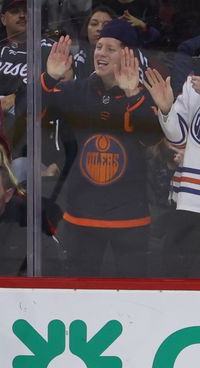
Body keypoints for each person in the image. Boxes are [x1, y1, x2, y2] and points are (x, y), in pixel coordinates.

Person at [43, 20, 161, 277]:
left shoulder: (144, 95)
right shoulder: (76, 89)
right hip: (81, 216)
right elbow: (29, 113)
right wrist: (50, 78)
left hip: (130, 217)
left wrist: (133, 95)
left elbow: (151, 138)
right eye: (98, 47)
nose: (100, 53)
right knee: (78, 293)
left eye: (110, 49)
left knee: (135, 296)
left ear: (128, 55)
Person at [144, 68, 200, 277]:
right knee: (177, 276)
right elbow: (179, 139)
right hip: (186, 201)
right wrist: (167, 110)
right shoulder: (193, 83)